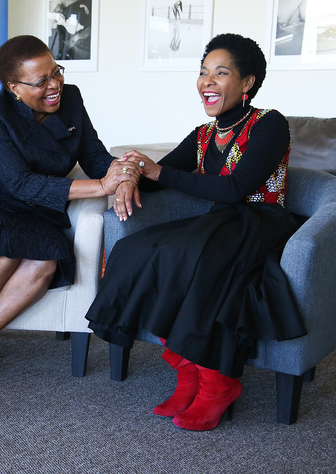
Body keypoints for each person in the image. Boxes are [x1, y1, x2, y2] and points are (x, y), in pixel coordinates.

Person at [86, 33, 306, 431]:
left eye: (221, 73)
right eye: (203, 72)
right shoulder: (203, 135)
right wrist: (130, 174)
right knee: (137, 248)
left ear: (247, 83)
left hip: (262, 220)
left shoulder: (269, 123)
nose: (207, 81)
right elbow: (161, 178)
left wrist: (158, 171)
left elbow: (237, 188)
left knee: (199, 259)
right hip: (221, 223)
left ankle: (218, 385)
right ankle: (188, 373)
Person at [0, 35, 142, 394]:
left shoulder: (72, 99)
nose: (54, 86)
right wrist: (100, 187)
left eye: (56, 73)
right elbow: (18, 183)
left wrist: (122, 174)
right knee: (6, 250)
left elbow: (94, 155)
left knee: (45, 263)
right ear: (13, 87)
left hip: (37, 213)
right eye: (41, 81)